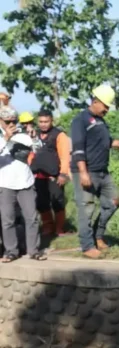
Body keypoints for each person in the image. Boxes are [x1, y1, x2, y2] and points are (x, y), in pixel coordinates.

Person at [70, 85, 119, 259]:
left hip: (103, 171)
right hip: (86, 171)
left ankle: (97, 234)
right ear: (95, 101)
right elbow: (78, 148)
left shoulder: (101, 120)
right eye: (105, 106)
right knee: (86, 209)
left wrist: (114, 143)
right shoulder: (80, 120)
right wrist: (83, 172)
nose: (107, 109)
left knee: (114, 201)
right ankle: (87, 246)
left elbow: (102, 141)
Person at [0, 107, 45, 262]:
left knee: (32, 218)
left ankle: (34, 250)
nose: (11, 124)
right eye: (7, 122)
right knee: (8, 220)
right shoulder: (2, 136)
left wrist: (33, 138)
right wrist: (6, 138)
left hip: (25, 182)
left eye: (14, 121)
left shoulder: (22, 134)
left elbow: (38, 149)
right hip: (5, 184)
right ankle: (11, 251)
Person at [29, 109, 71, 238]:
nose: (43, 124)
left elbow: (65, 156)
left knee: (57, 201)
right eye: (41, 122)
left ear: (51, 121)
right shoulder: (33, 135)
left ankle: (59, 228)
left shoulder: (59, 135)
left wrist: (63, 174)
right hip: (38, 175)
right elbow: (30, 153)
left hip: (55, 175)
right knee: (41, 202)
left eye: (46, 121)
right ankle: (47, 226)